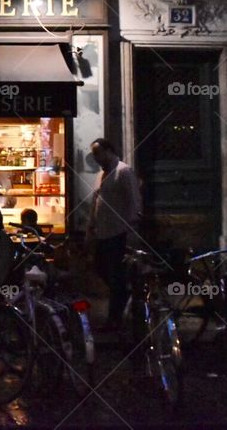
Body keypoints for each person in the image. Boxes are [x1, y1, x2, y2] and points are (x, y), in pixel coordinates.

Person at [86, 138, 141, 331]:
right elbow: (96, 201)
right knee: (101, 269)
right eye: (94, 154)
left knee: (115, 275)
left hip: (118, 233)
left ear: (109, 150)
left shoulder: (123, 172)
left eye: (97, 153)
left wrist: (131, 230)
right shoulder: (102, 174)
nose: (96, 158)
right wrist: (91, 226)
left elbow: (134, 201)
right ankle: (123, 298)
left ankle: (115, 318)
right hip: (103, 233)